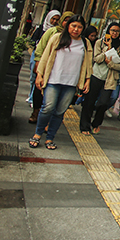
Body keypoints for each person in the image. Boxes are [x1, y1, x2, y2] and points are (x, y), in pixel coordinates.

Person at [29, 15, 93, 150]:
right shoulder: (57, 38)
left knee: (60, 112)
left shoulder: (85, 43)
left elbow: (87, 64)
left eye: (79, 27)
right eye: (73, 26)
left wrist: (87, 80)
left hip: (71, 83)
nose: (76, 29)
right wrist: (39, 75)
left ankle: (50, 138)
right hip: (53, 79)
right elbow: (46, 57)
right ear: (68, 25)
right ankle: (37, 134)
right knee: (48, 108)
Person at [79, 22, 120, 134]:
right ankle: (85, 126)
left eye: (117, 31)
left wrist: (111, 64)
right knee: (89, 101)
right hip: (96, 75)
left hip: (110, 78)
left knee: (104, 103)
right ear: (108, 31)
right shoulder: (99, 43)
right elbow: (97, 59)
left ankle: (96, 123)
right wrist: (107, 49)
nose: (114, 33)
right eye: (112, 30)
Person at [29, 11, 73, 123]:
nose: (67, 23)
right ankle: (36, 111)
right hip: (46, 65)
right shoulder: (52, 32)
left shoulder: (74, 38)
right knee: (39, 89)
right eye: (65, 20)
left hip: (60, 69)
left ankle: (47, 118)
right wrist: (38, 63)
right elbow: (41, 47)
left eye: (70, 21)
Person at [27, 10, 61, 107]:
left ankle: (35, 99)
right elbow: (33, 40)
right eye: (53, 19)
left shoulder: (56, 31)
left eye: (57, 20)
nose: (54, 21)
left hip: (48, 57)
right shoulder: (41, 28)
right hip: (38, 54)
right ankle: (31, 95)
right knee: (33, 76)